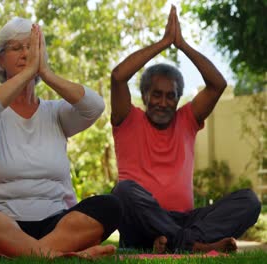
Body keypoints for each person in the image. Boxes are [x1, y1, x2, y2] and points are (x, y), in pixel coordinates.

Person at [0, 17, 122, 258]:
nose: (26, 54)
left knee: (110, 205)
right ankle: (57, 253)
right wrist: (26, 75)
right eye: (17, 48)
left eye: (32, 47)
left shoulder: (56, 113)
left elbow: (94, 106)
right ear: (0, 59)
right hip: (2, 223)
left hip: (56, 224)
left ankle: (18, 252)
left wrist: (45, 72)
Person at [110, 6, 261, 253]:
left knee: (249, 201)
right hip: (142, 221)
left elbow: (217, 84)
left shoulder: (186, 119)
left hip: (187, 219)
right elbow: (118, 77)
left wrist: (182, 45)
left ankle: (175, 242)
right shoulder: (128, 118)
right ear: (145, 95)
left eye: (171, 96)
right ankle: (195, 245)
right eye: (156, 94)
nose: (162, 102)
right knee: (123, 192)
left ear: (179, 99)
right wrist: (163, 43)